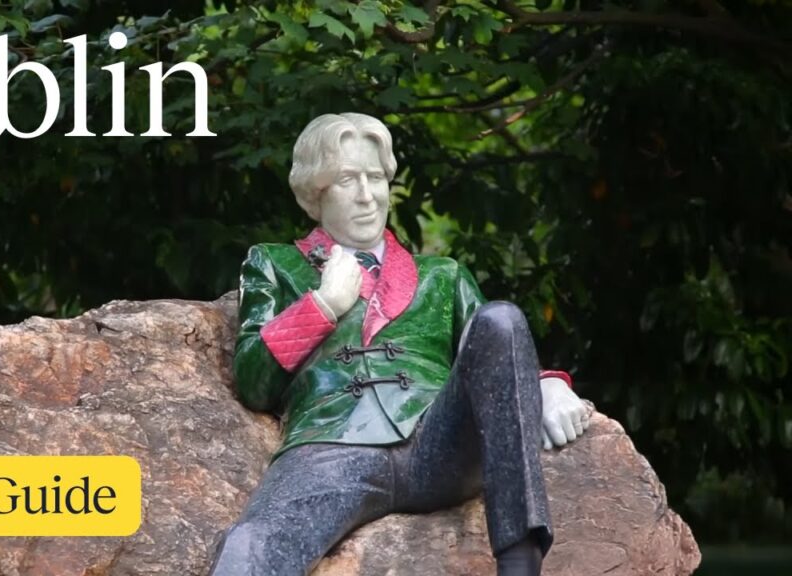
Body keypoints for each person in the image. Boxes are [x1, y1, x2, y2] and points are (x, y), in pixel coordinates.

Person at [211, 113, 589, 576]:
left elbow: (496, 349)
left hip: (438, 442)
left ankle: (520, 565)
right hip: (333, 447)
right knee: (251, 544)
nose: (367, 195)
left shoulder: (442, 274)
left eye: (375, 178)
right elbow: (253, 381)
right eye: (347, 180)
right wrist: (323, 305)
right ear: (314, 194)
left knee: (501, 316)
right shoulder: (273, 263)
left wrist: (545, 384)